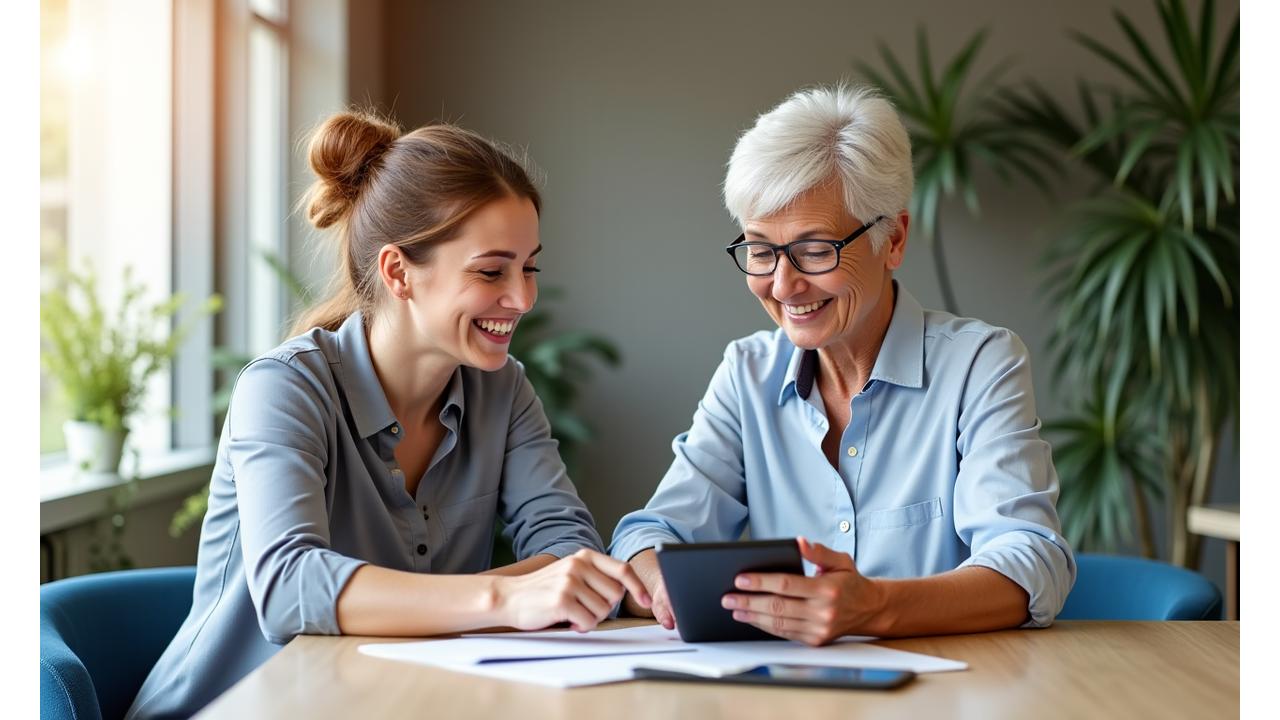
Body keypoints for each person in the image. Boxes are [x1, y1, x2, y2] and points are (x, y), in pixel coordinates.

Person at [127, 111, 648, 718]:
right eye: (491, 271)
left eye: (529, 266)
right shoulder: (283, 389)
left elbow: (568, 547)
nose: (523, 298)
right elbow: (290, 588)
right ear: (398, 272)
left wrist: (536, 588)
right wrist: (505, 599)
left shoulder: (503, 390)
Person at [609, 84, 1074, 646]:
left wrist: (872, 607)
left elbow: (1029, 560)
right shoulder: (747, 373)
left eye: (814, 249)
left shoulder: (979, 364)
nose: (783, 285)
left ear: (893, 239)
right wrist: (663, 584)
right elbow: (651, 533)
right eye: (760, 250)